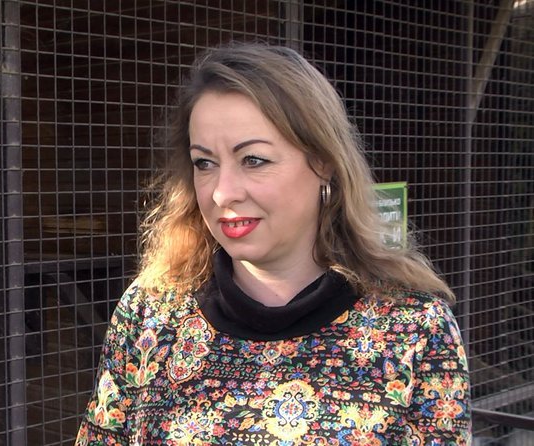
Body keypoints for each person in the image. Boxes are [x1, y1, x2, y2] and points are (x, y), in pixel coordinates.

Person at [75, 42, 470, 445]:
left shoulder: (413, 328)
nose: (222, 193)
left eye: (254, 160)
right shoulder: (151, 313)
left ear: (323, 162)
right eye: (204, 163)